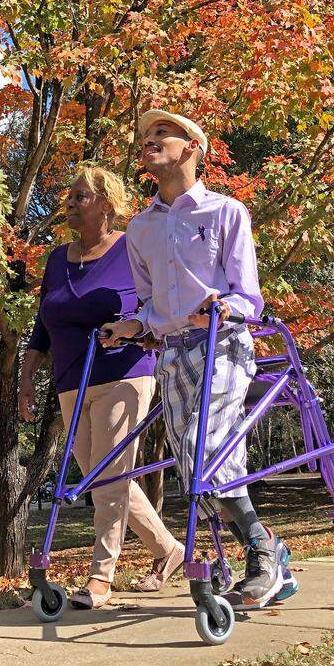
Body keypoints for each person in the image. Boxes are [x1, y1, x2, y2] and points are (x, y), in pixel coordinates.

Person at [101, 109, 287, 607]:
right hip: (171, 355)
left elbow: (249, 298)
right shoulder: (139, 229)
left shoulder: (227, 212)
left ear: (192, 148)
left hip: (222, 346)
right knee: (195, 471)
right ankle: (268, 550)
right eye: (145, 137)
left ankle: (261, 557)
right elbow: (148, 305)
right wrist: (131, 326)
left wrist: (221, 310)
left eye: (162, 133)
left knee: (212, 451)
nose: (150, 142)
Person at [19, 165, 185, 609]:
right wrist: (26, 378)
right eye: (69, 195)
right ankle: (169, 551)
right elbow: (42, 326)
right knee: (102, 479)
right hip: (72, 380)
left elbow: (160, 304)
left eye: (80, 196)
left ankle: (100, 578)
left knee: (109, 476)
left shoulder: (133, 248)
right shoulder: (57, 259)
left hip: (124, 372)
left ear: (107, 205)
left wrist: (141, 329)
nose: (69, 202)